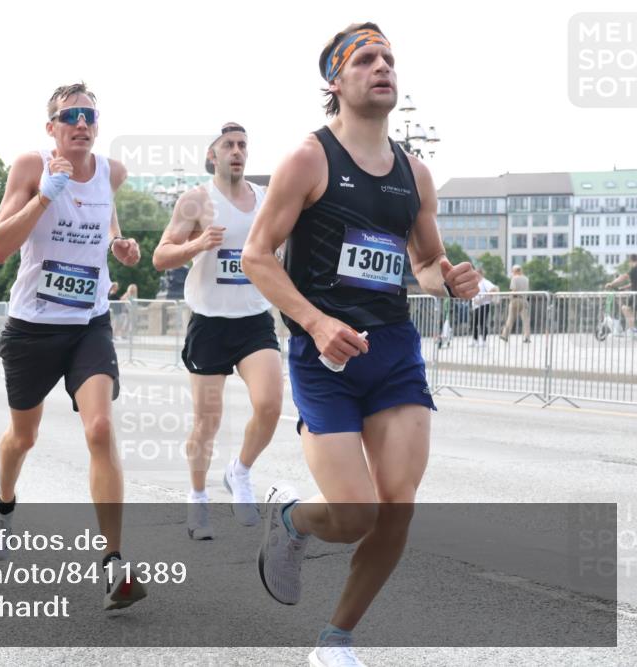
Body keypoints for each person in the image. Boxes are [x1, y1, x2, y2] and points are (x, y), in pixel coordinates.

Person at [241, 23, 480, 667]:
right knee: (355, 513)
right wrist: (316, 323)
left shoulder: (414, 172)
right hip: (325, 361)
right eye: (367, 59)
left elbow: (425, 262)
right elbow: (257, 257)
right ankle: (291, 522)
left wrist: (449, 278)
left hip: (394, 352)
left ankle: (335, 639)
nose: (383, 68)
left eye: (390, 59)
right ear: (335, 81)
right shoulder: (309, 159)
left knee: (397, 505)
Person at [0, 83, 146, 611]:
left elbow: (105, 220)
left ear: (97, 126)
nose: (81, 123)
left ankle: (115, 564)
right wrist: (45, 194)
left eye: (89, 115)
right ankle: (4, 507)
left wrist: (121, 246)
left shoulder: (111, 172)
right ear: (51, 127)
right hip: (32, 326)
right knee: (22, 437)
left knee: (99, 429)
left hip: (88, 324)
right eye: (69, 116)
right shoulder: (32, 168)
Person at [152, 123, 281, 540]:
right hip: (209, 321)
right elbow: (161, 256)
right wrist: (197, 244)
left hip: (254, 319)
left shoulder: (265, 199)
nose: (237, 151)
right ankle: (197, 499)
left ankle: (239, 472)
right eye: (228, 145)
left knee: (270, 405)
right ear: (213, 156)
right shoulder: (197, 200)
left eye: (243, 144)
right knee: (207, 421)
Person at [605, 254, 637, 333]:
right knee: (629, 310)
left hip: (635, 295)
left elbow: (623, 277)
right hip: (634, 294)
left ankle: (632, 329)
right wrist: (623, 288)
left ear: (631, 261)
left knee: (626, 309)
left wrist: (611, 284)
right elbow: (633, 284)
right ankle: (632, 329)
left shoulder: (634, 269)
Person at [500, 265, 531, 343]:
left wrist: (509, 296)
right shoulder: (526, 279)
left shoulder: (514, 278)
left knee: (510, 319)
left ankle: (505, 335)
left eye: (512, 271)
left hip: (515, 300)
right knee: (525, 320)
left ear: (515, 271)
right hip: (524, 300)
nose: (512, 273)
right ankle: (527, 337)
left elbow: (513, 290)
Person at [470, 271, 498, 347]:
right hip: (476, 306)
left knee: (482, 323)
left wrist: (482, 298)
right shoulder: (476, 282)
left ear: (481, 274)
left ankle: (483, 340)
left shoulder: (485, 282)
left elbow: (494, 289)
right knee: (474, 323)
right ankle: (475, 340)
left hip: (483, 305)